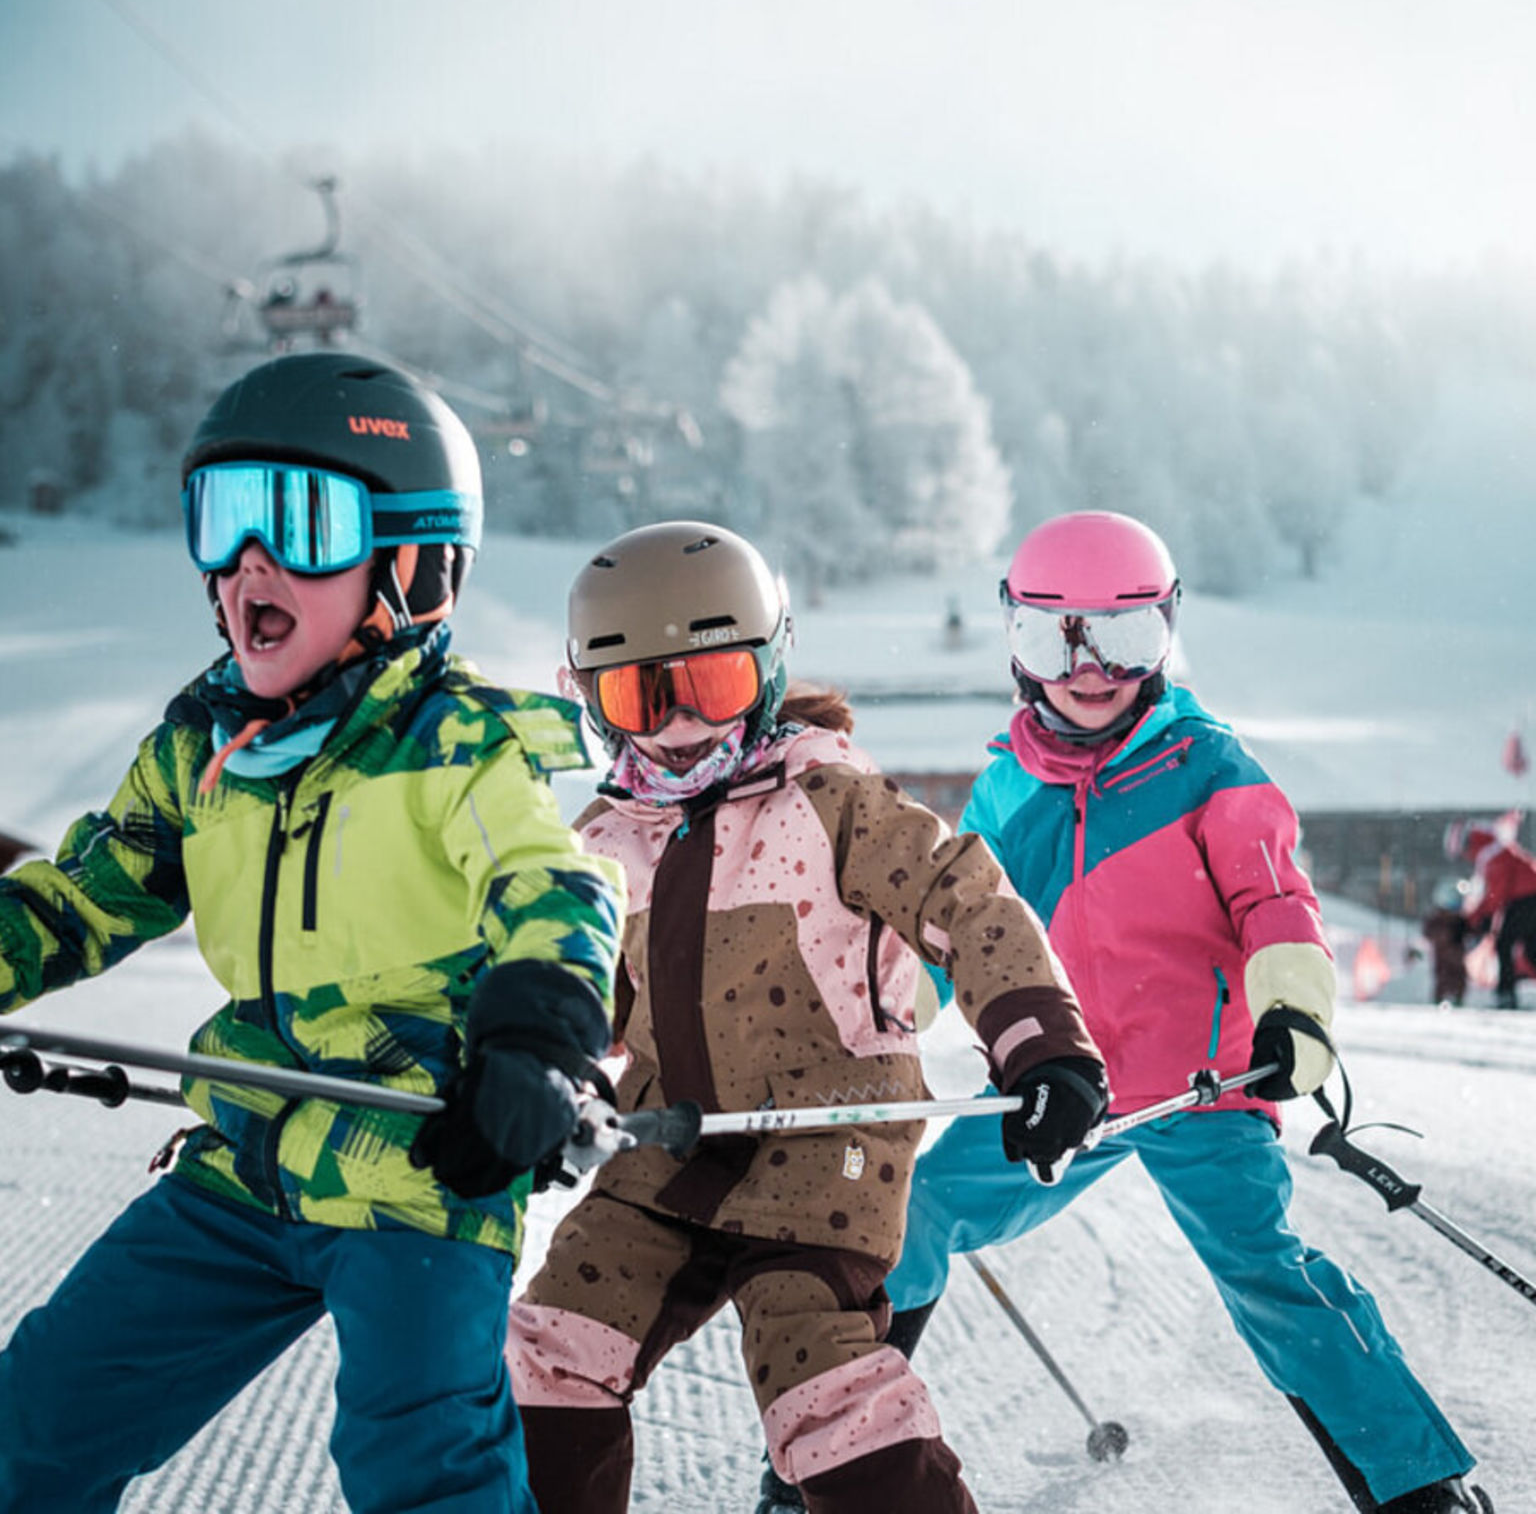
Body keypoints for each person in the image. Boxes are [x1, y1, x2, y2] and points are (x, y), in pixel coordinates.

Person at [763, 510, 1490, 1514]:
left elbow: (1277, 907)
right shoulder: (1007, 791)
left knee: (1266, 1276)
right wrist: (855, 1033)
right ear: (1015, 642)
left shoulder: (1210, 772)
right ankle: (829, 1467)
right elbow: (948, 937)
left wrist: (1295, 1020)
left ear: (1166, 635)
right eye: (1054, 639)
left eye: (1125, 635)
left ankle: (1419, 1487)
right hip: (1062, 1088)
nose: (1091, 668)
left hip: (1201, 1090)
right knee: (910, 1217)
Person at [0, 352, 623, 1514]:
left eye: (297, 520)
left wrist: (535, 1045)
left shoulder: (459, 744)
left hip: (419, 1169)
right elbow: (78, 899)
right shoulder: (204, 753)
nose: (249, 565)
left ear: (413, 563)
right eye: (223, 520)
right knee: (38, 1419)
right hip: (244, 1167)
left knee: (422, 1467)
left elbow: (555, 888)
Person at [503, 520, 1107, 1514]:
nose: (678, 723)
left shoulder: (833, 801)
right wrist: (535, 1082)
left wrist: (1041, 1047)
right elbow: (577, 993)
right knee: (553, 1344)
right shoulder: (606, 841)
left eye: (712, 685)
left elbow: (966, 902)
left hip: (824, 1152)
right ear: (594, 702)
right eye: (638, 694)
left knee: (817, 1378)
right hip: (663, 1154)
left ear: (770, 668)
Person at [1446, 816, 1536, 1009]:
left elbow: (1496, 895)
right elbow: (1495, 895)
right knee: (1531, 950)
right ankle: (1506, 993)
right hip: (1526, 901)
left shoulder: (1493, 856)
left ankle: (1506, 995)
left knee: (1505, 944)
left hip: (1528, 901)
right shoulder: (1496, 852)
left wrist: (1474, 919)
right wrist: (1477, 917)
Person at [1420, 878, 1470, 1008]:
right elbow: (1428, 932)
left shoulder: (1460, 919)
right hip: (1442, 954)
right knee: (1443, 977)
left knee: (1459, 977)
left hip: (1457, 954)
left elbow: (1470, 930)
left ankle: (1458, 999)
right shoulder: (1437, 918)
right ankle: (1439, 1000)